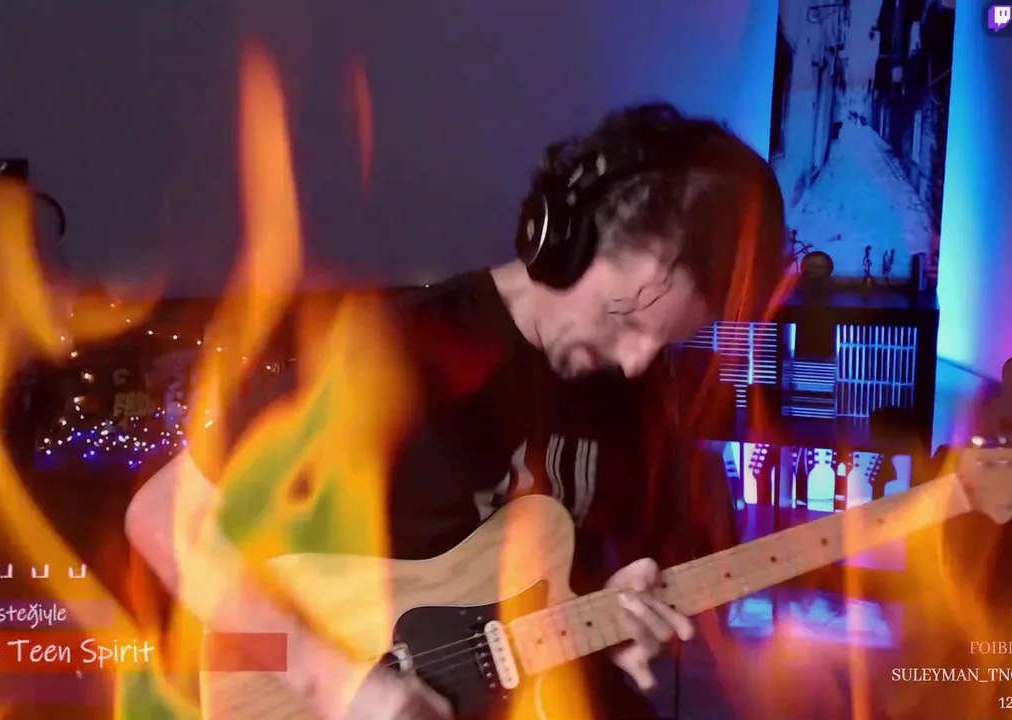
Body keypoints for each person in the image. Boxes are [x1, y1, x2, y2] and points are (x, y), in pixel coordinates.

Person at [127, 101, 788, 719]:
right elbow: (162, 518)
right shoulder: (399, 351)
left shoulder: (631, 396)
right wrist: (340, 683)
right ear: (565, 244)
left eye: (664, 340)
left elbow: (550, 594)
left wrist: (612, 623)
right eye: (625, 318)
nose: (637, 360)